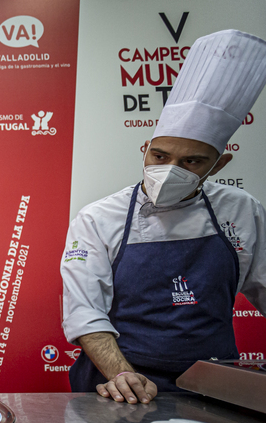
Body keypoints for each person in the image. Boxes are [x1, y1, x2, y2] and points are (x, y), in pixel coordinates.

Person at [62, 30, 266, 404]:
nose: (171, 169)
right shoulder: (98, 218)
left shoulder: (243, 210)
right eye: (160, 156)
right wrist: (122, 375)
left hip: (217, 385)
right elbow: (84, 314)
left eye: (191, 161)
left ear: (220, 164)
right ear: (146, 149)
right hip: (122, 383)